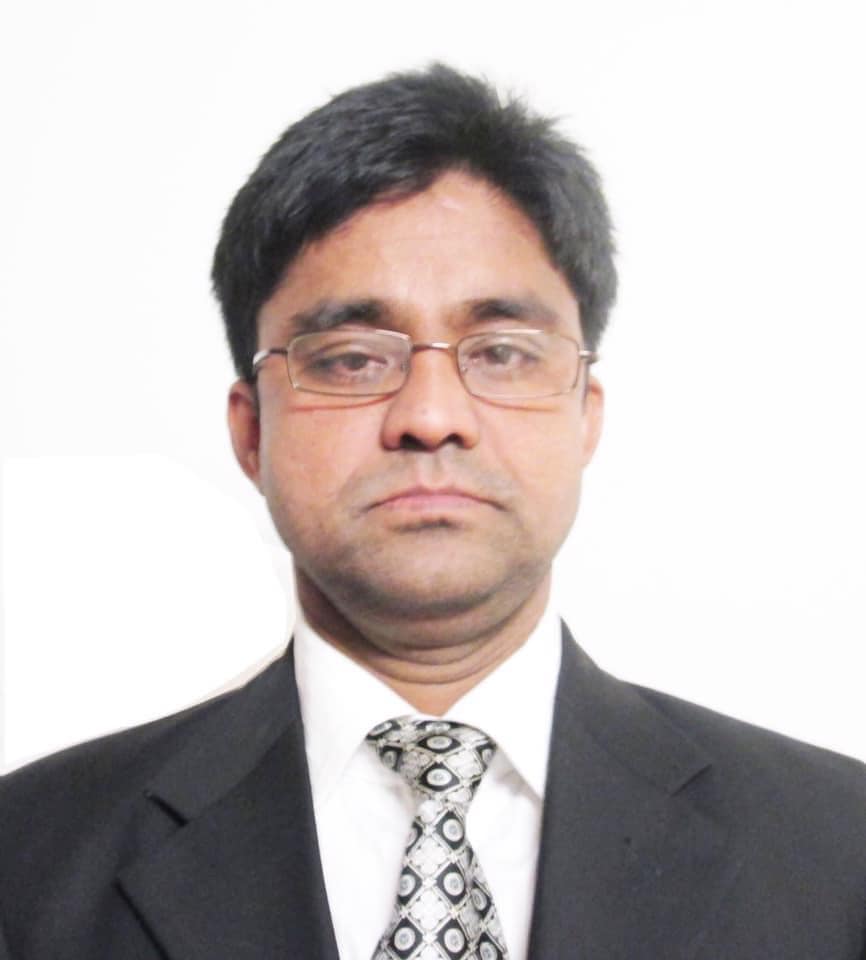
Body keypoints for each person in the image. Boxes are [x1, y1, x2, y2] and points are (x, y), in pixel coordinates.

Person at [0, 64, 863, 960]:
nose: (431, 416)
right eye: (350, 359)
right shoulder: (27, 865)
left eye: (502, 352)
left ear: (585, 415)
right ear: (252, 431)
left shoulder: (840, 853)